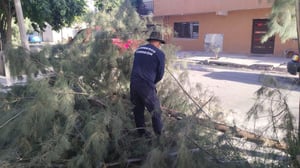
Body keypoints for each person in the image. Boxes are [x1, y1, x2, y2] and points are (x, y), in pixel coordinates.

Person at [130, 31, 166, 137]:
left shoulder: (138, 50)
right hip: (146, 85)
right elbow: (160, 74)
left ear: (150, 40)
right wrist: (152, 83)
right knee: (156, 111)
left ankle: (141, 133)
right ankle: (159, 137)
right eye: (160, 44)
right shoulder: (159, 54)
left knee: (138, 110)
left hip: (133, 83)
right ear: (159, 42)